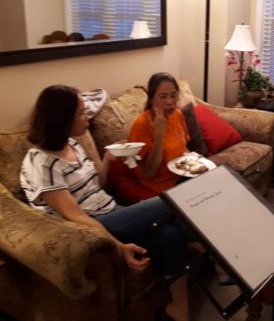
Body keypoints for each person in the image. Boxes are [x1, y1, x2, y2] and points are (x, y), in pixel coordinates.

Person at [20, 85, 189, 321]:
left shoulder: (73, 144)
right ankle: (216, 249)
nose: (87, 117)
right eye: (81, 112)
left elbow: (97, 186)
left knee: (170, 233)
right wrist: (118, 246)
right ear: (62, 118)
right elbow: (76, 216)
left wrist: (107, 159)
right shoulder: (42, 163)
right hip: (91, 225)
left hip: (111, 210)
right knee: (170, 202)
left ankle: (179, 310)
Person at [128, 72, 190, 195]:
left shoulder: (178, 114)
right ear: (151, 100)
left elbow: (184, 148)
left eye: (173, 95)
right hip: (163, 185)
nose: (170, 101)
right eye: (163, 97)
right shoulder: (141, 125)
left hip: (184, 174)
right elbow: (150, 172)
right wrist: (159, 135)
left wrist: (196, 162)